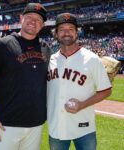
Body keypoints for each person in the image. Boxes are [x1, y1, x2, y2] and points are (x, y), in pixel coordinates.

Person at [0, 3, 51, 150]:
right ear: (21, 18)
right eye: (30, 17)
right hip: (7, 124)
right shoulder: (1, 45)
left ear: (43, 25)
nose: (33, 21)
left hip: (36, 123)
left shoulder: (46, 48)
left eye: (38, 19)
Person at [47, 13, 112, 150]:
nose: (66, 33)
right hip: (56, 126)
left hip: (84, 127)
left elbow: (106, 90)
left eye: (71, 29)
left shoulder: (92, 59)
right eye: (62, 29)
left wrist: (82, 104)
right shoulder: (50, 60)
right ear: (56, 34)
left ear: (77, 33)